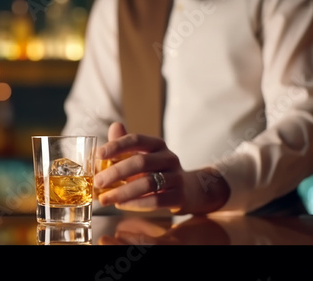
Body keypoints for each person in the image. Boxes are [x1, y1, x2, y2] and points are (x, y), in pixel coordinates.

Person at [62, 0, 313, 216]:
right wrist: (100, 164)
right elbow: (91, 116)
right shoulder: (114, 5)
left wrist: (210, 187)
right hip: (136, 234)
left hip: (256, 230)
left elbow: (301, 119)